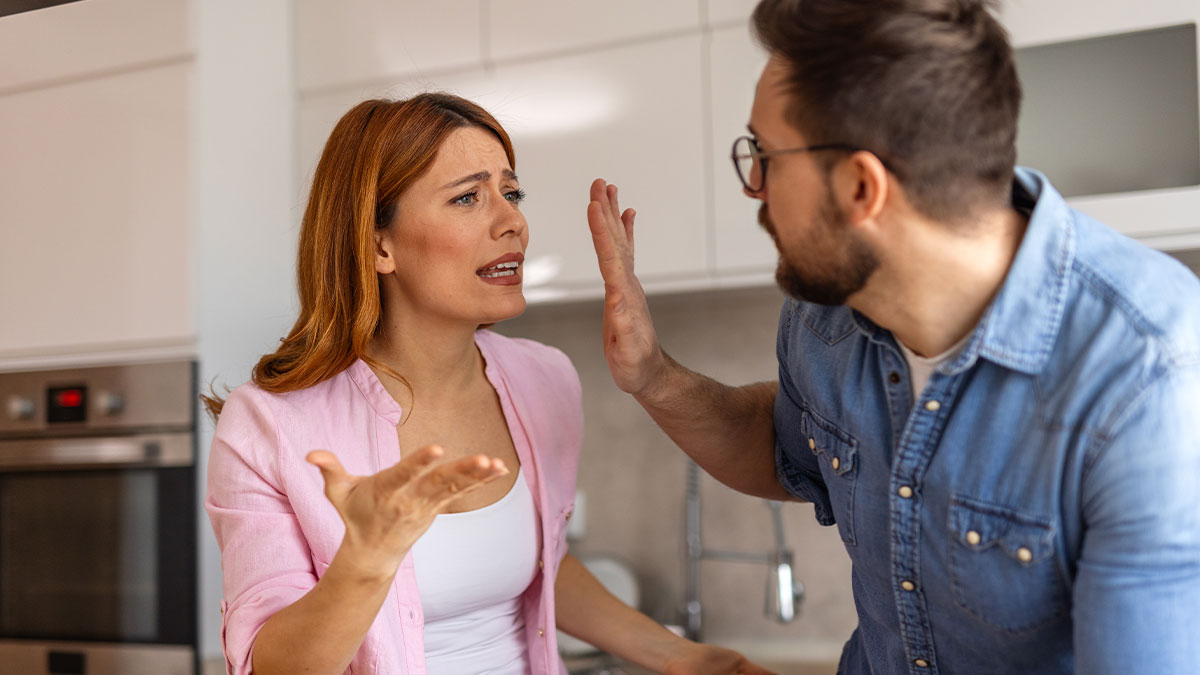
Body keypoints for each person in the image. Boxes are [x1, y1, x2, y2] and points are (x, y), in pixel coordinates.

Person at [583, 1, 1200, 674]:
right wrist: (652, 374)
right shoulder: (827, 317)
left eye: (764, 154)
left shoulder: (1148, 376)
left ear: (859, 186)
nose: (754, 186)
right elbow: (787, 447)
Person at [205, 93, 770, 675]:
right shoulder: (270, 425)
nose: (513, 221)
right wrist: (366, 562)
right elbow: (265, 666)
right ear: (378, 244)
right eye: (468, 197)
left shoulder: (542, 378)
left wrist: (689, 658)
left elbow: (540, 565)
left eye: (512, 192)